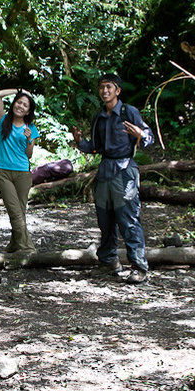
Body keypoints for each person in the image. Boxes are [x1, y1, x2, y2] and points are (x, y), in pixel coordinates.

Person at [72, 74, 155, 284]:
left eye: (109, 87)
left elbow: (148, 136)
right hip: (105, 171)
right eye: (101, 88)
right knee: (105, 220)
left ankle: (139, 267)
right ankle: (109, 262)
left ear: (117, 90)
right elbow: (95, 148)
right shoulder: (98, 116)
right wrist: (80, 142)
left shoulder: (129, 112)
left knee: (129, 219)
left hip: (125, 170)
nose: (105, 91)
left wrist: (139, 135)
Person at [0, 88, 40, 255]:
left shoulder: (31, 128)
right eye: (19, 102)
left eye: (25, 105)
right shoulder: (3, 121)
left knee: (19, 213)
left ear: (28, 110)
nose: (21, 106)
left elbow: (29, 155)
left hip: (23, 174)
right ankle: (28, 249)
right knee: (15, 212)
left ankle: (14, 245)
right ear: (14, 103)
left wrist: (29, 140)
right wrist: (19, 90)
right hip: (3, 173)